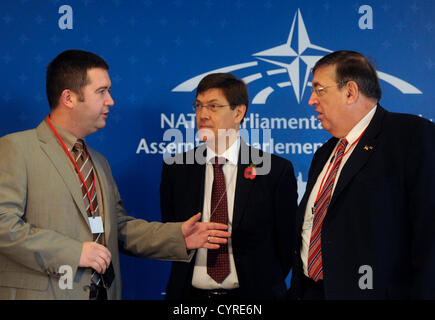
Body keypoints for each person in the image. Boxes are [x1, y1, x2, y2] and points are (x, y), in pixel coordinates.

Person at [0, 49, 231, 300]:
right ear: (69, 97)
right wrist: (72, 252)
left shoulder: (98, 162)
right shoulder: (16, 149)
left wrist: (176, 237)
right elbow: (3, 224)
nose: (110, 100)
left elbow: (118, 228)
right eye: (102, 91)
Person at [289, 50, 435, 300]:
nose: (312, 100)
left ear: (350, 92)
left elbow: (429, 235)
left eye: (319, 89)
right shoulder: (325, 153)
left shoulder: (412, 136)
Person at [160, 73, 298, 300]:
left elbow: (285, 245)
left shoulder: (275, 171)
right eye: (198, 106)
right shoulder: (176, 169)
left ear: (239, 112)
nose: (202, 115)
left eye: (213, 106)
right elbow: (173, 236)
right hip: (189, 297)